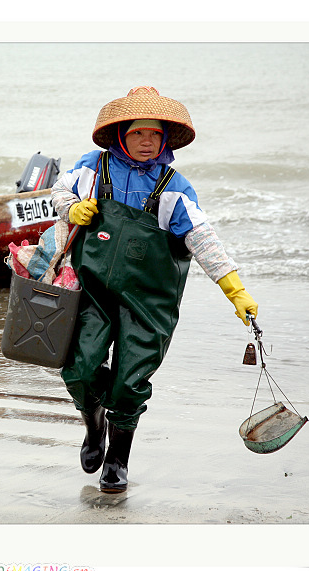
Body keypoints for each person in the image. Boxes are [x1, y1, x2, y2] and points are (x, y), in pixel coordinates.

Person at [50, 86, 258, 493]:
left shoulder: (175, 186)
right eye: (138, 134)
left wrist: (235, 290)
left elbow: (203, 239)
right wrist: (70, 208)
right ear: (121, 135)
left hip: (150, 301)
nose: (147, 142)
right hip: (93, 290)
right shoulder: (94, 166)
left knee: (130, 380)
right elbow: (59, 191)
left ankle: (118, 458)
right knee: (81, 367)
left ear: (165, 139)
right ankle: (94, 427)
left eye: (155, 135)